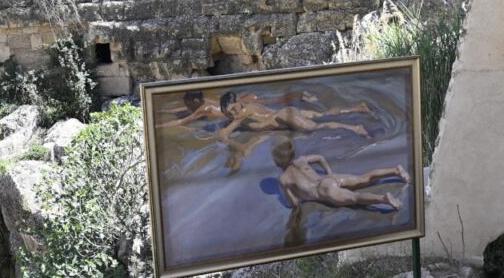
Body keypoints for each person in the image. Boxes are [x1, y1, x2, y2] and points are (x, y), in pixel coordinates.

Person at [271, 137, 409, 211]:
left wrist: (300, 199)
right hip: (329, 178)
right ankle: (396, 171)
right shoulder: (301, 160)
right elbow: (319, 157)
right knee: (363, 178)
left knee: (355, 198)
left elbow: (294, 204)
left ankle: (383, 199)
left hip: (324, 191)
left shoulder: (284, 179)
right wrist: (329, 173)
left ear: (277, 161)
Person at [217, 91, 371, 145]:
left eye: (233, 109)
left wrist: (238, 145)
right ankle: (358, 108)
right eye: (230, 114)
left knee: (315, 128)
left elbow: (225, 133)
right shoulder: (250, 106)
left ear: (238, 103)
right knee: (324, 115)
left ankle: (355, 128)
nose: (234, 114)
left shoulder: (243, 114)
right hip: (288, 112)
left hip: (283, 116)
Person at [156, 89, 319, 129]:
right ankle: (300, 96)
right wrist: (164, 111)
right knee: (274, 101)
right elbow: (181, 109)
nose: (187, 107)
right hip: (244, 99)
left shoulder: (202, 109)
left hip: (236, 111)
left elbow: (182, 120)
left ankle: (298, 99)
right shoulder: (205, 100)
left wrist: (159, 126)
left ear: (196, 101)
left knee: (272, 109)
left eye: (189, 104)